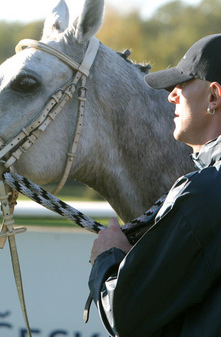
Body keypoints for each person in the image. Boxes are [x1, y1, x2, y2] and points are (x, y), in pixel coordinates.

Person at [88, 34, 221, 336]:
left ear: (214, 97)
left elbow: (124, 313)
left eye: (183, 84)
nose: (171, 96)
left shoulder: (203, 193)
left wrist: (107, 259)